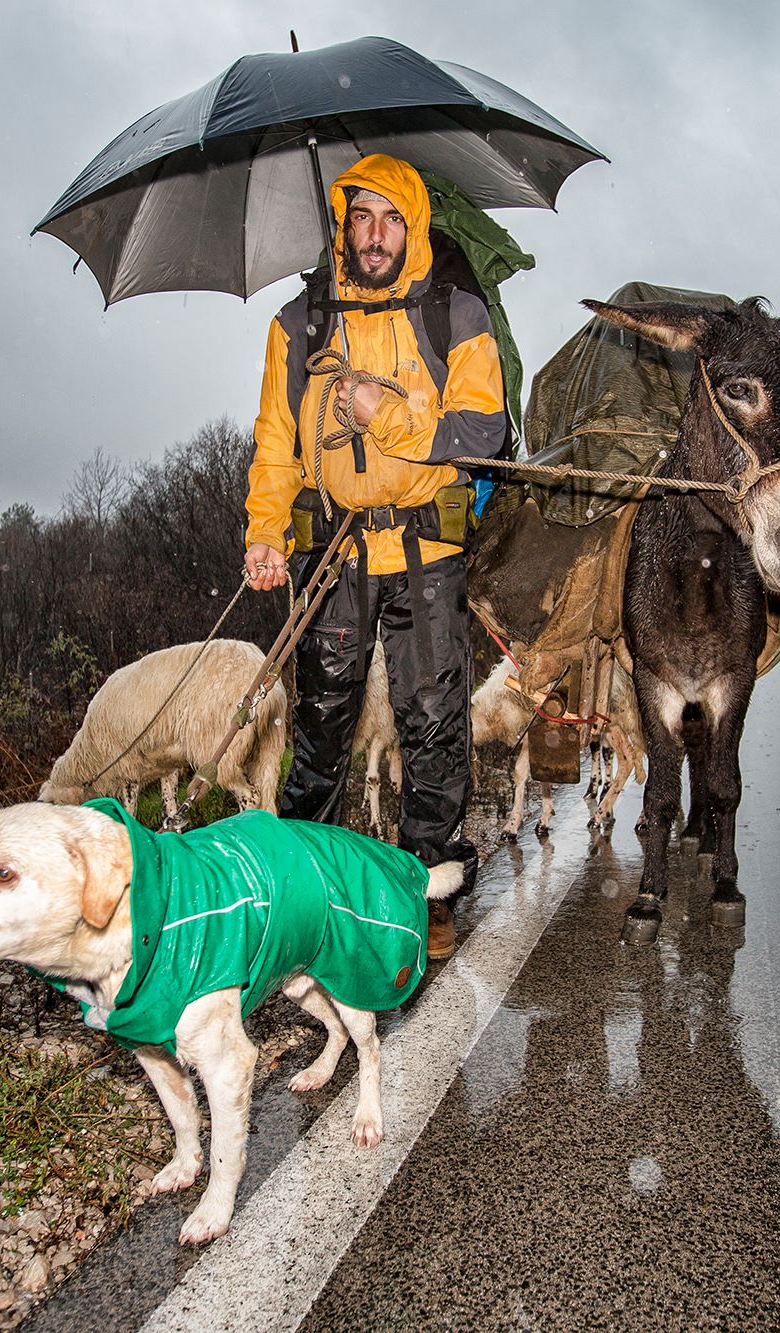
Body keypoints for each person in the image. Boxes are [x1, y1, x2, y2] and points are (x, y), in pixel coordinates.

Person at [243, 153, 507, 959]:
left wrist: (378, 412)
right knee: (320, 726)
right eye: (362, 217)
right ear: (343, 224)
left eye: (392, 219)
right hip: (334, 551)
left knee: (434, 723)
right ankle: (305, 893)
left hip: (426, 546)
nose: (376, 235)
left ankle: (430, 889)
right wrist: (265, 529)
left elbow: (481, 430)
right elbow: (276, 441)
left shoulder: (455, 313)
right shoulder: (299, 323)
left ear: (413, 225)